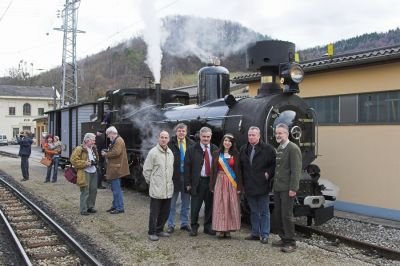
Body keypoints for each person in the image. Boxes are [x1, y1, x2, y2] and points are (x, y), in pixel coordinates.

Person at [239, 126, 276, 244]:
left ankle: (265, 234)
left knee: (264, 211)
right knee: (253, 211)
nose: (251, 137)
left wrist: (268, 174)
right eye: (249, 135)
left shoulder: (268, 149)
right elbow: (241, 167)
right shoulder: (244, 148)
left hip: (262, 185)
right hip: (249, 185)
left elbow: (274, 164)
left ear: (259, 136)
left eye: (253, 135)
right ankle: (255, 233)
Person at [271, 123, 302, 253]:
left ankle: (291, 242)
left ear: (287, 134)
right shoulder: (280, 147)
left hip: (287, 188)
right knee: (278, 214)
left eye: (281, 133)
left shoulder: (293, 148)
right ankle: (283, 238)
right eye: (277, 133)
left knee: (287, 215)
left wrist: (293, 188)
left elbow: (296, 170)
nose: (278, 135)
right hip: (278, 187)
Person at [184, 126, 218, 236]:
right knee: (195, 207)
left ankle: (208, 227)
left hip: (211, 182)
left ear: (211, 136)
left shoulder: (215, 149)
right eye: (204, 136)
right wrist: (188, 183)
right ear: (200, 136)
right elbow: (187, 168)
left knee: (210, 206)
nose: (206, 139)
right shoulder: (192, 149)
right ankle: (194, 227)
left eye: (208, 137)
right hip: (197, 182)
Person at [143, 130, 174, 241]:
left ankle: (159, 229)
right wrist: (152, 182)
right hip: (156, 188)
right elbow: (146, 170)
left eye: (166, 137)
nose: (164, 139)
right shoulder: (153, 152)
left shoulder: (170, 153)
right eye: (162, 137)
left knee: (165, 211)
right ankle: (151, 232)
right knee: (154, 212)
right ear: (158, 139)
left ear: (168, 139)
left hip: (167, 188)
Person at [210, 133, 243, 239]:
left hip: (231, 182)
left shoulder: (236, 154)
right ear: (222, 142)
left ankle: (228, 229)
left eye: (229, 141)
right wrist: (212, 185)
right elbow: (213, 170)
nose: (227, 143)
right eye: (225, 140)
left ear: (232, 143)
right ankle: (220, 229)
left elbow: (239, 171)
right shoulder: (216, 153)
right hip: (220, 180)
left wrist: (240, 186)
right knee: (220, 205)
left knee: (230, 205)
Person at [166, 123, 195, 234]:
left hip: (187, 177)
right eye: (179, 131)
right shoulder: (170, 144)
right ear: (176, 132)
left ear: (186, 132)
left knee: (186, 203)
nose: (181, 133)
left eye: (183, 131)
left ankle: (184, 223)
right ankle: (170, 224)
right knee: (171, 203)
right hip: (174, 177)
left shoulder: (192, 144)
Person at [101, 126, 130, 214]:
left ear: (112, 133)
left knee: (117, 189)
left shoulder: (119, 140)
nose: (108, 137)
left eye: (108, 135)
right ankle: (115, 206)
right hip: (115, 167)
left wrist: (106, 154)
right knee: (114, 189)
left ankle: (119, 207)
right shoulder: (117, 140)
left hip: (116, 168)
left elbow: (116, 152)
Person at [70, 133, 99, 216]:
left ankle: (90, 207)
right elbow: (73, 160)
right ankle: (83, 209)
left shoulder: (93, 148)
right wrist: (85, 163)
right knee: (85, 191)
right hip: (84, 172)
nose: (94, 142)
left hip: (93, 171)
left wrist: (95, 162)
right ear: (87, 140)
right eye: (92, 140)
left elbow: (96, 159)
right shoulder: (79, 148)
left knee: (93, 190)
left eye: (94, 140)